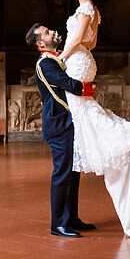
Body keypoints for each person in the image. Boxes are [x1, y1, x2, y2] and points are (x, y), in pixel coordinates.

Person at [57, 0, 130, 239]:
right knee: (86, 115)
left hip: (76, 62)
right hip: (85, 61)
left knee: (85, 119)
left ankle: (121, 142)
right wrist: (76, 54)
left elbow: (78, 39)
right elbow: (92, 43)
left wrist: (60, 58)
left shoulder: (85, 9)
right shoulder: (92, 11)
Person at [27, 22, 95, 237]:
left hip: (68, 122)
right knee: (62, 173)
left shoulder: (55, 59)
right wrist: (90, 88)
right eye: (47, 33)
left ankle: (71, 218)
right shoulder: (45, 64)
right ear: (40, 43)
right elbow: (70, 84)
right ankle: (58, 224)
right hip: (59, 124)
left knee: (73, 172)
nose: (53, 33)